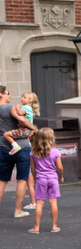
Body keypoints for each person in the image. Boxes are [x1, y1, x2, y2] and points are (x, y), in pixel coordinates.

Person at [0, 85, 35, 218]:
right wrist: (33, 128)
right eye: (7, 93)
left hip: (3, 146)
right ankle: (18, 210)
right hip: (22, 146)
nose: (9, 96)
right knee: (22, 179)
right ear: (2, 95)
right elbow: (22, 119)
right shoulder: (10, 107)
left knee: (2, 180)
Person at [27, 127, 64, 233]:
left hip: (41, 179)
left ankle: (36, 227)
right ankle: (54, 226)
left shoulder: (33, 153)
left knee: (39, 203)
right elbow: (60, 167)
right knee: (53, 203)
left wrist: (34, 178)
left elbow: (33, 169)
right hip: (53, 179)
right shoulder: (55, 152)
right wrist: (60, 176)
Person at [5, 91, 39, 156]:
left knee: (6, 135)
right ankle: (30, 146)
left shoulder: (26, 107)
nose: (22, 99)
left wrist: (17, 107)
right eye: (22, 97)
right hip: (28, 131)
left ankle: (15, 146)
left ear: (30, 101)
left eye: (25, 97)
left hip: (24, 130)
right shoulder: (29, 108)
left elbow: (20, 113)